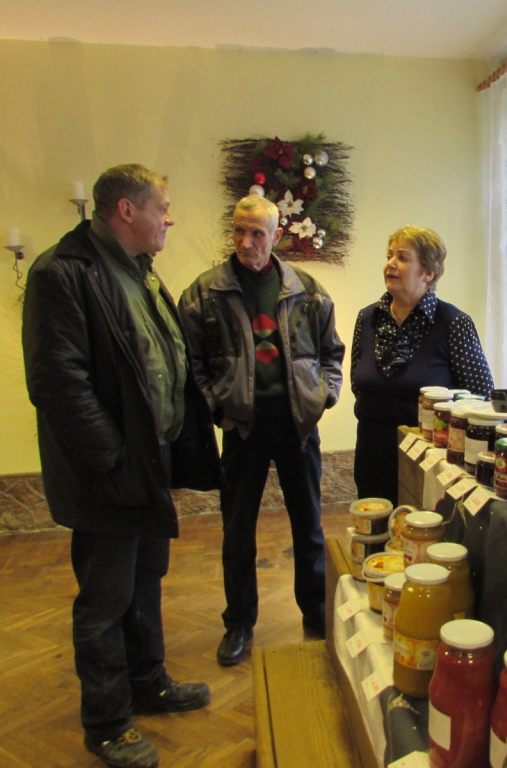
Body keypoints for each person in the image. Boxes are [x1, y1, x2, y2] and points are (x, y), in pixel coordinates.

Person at [22, 164, 221, 768]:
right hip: (108, 472)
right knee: (105, 598)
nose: (171, 216)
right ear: (127, 211)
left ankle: (148, 683)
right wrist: (110, 458)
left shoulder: (138, 272)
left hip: (144, 463)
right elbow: (59, 383)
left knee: (144, 582)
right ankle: (107, 725)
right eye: (163, 205)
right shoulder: (64, 272)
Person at [178, 195, 345, 667]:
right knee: (237, 532)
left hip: (297, 427)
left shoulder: (307, 289)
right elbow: (189, 363)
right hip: (242, 429)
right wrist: (217, 410)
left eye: (257, 233)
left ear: (277, 236)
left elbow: (333, 351)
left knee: (309, 527)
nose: (246, 242)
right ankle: (238, 624)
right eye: (238, 231)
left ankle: (315, 614)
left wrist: (324, 397)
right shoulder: (204, 292)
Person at [351, 226, 493, 504]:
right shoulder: (368, 318)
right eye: (389, 255)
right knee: (375, 530)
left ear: (428, 273)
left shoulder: (453, 322)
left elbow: (481, 397)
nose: (390, 263)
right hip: (371, 449)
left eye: (402, 257)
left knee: (419, 535)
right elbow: (359, 383)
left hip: (429, 457)